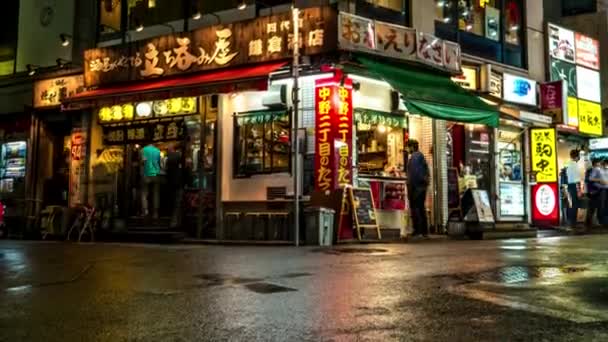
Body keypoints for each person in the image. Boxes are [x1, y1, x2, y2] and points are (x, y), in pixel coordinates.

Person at [406, 140, 430, 237]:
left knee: (416, 208)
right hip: (421, 187)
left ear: (412, 147)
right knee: (421, 208)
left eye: (408, 147)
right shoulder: (420, 156)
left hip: (416, 187)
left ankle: (418, 230)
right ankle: (424, 231)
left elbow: (414, 175)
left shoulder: (415, 157)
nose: (407, 149)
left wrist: (410, 188)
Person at [166, 143, 183, 228]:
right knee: (178, 202)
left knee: (174, 202)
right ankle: (175, 222)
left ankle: (173, 221)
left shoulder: (169, 158)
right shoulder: (179, 156)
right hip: (178, 182)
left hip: (171, 182)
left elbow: (167, 171)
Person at [141, 143, 161, 218]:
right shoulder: (158, 151)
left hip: (146, 174)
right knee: (156, 193)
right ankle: (155, 213)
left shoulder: (143, 150)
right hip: (156, 174)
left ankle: (145, 211)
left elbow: (142, 162)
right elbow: (159, 163)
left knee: (144, 193)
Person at [565, 149, 582, 227]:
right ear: (577, 156)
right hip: (575, 186)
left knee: (570, 204)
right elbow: (577, 179)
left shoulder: (568, 164)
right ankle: (573, 223)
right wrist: (579, 191)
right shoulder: (575, 165)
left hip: (569, 186)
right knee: (575, 204)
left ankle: (570, 221)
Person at [586, 158, 602, 227]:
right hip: (594, 191)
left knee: (592, 207)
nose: (600, 164)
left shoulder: (590, 170)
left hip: (593, 191)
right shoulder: (593, 170)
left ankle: (590, 222)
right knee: (594, 207)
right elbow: (590, 180)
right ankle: (592, 222)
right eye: (599, 163)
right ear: (596, 163)